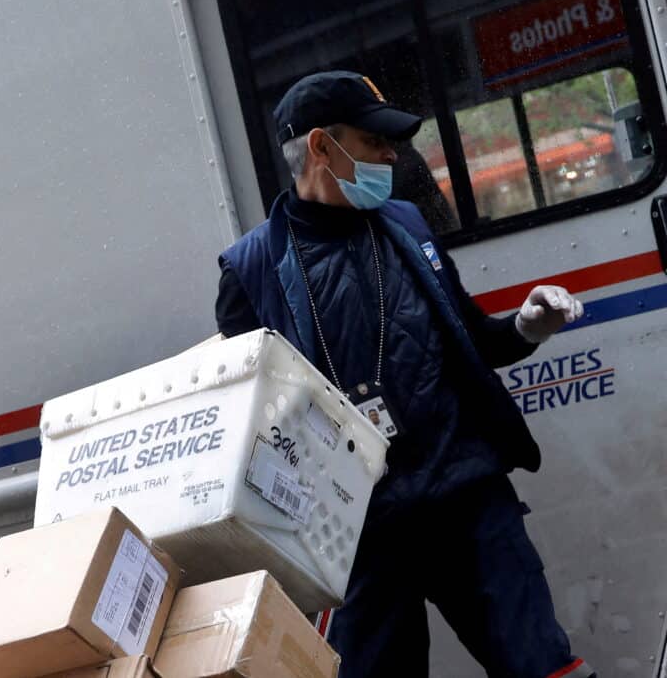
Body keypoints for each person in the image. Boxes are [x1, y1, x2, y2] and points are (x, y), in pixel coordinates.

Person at [215, 70, 594, 678]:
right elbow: (252, 426)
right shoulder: (251, 270)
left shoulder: (407, 226)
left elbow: (473, 340)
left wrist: (526, 325)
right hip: (359, 537)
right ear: (321, 146)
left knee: (544, 667)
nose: (392, 155)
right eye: (374, 142)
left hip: (466, 499)